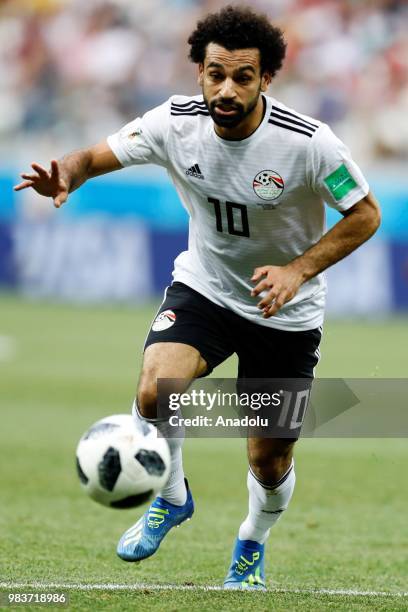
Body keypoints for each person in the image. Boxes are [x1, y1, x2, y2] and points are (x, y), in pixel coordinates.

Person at [14, 6, 381, 591]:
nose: (226, 88)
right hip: (206, 288)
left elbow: (365, 215)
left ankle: (250, 547)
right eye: (215, 74)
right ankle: (171, 494)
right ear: (199, 73)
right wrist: (69, 174)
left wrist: (297, 270)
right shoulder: (173, 123)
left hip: (283, 313)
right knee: (156, 390)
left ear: (266, 80)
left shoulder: (310, 144)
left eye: (242, 76)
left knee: (267, 459)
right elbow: (94, 155)